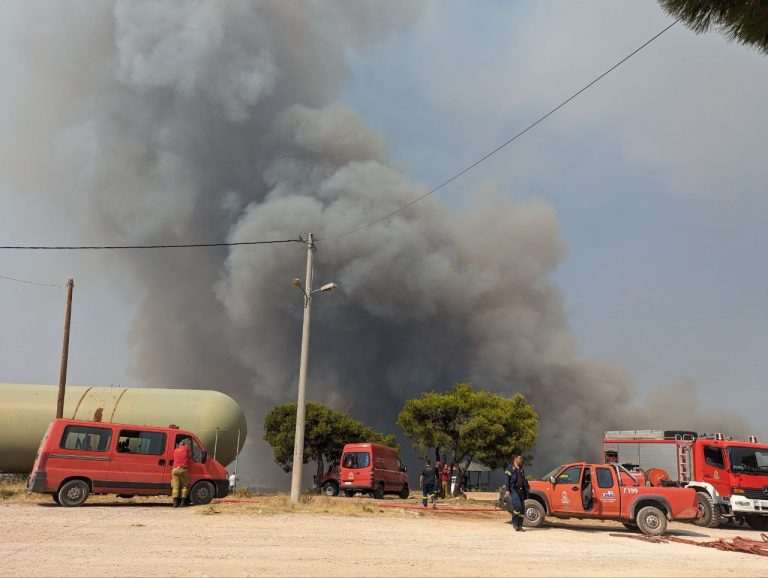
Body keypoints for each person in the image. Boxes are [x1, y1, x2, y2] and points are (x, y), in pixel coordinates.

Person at [503, 454, 530, 531]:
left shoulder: (521, 469)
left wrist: (526, 489)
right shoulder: (510, 467)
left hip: (521, 490)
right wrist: (507, 490)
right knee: (517, 506)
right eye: (520, 458)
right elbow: (507, 479)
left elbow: (523, 479)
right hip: (514, 490)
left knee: (523, 509)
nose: (521, 460)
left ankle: (520, 526)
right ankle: (515, 523)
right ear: (515, 459)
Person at [171, 439, 191, 508]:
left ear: (178, 445)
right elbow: (190, 456)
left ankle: (175, 503)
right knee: (184, 486)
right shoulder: (186, 448)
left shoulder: (175, 450)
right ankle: (182, 503)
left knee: (175, 486)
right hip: (183, 469)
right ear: (184, 445)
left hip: (174, 470)